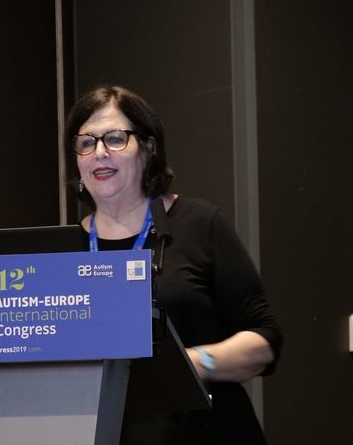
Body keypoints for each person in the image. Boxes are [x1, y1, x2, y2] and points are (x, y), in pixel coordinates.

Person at [64, 85, 283, 444]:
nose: (99, 153)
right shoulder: (66, 250)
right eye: (86, 142)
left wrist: (191, 363)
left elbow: (265, 340)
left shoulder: (199, 224)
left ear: (148, 147)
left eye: (115, 139)